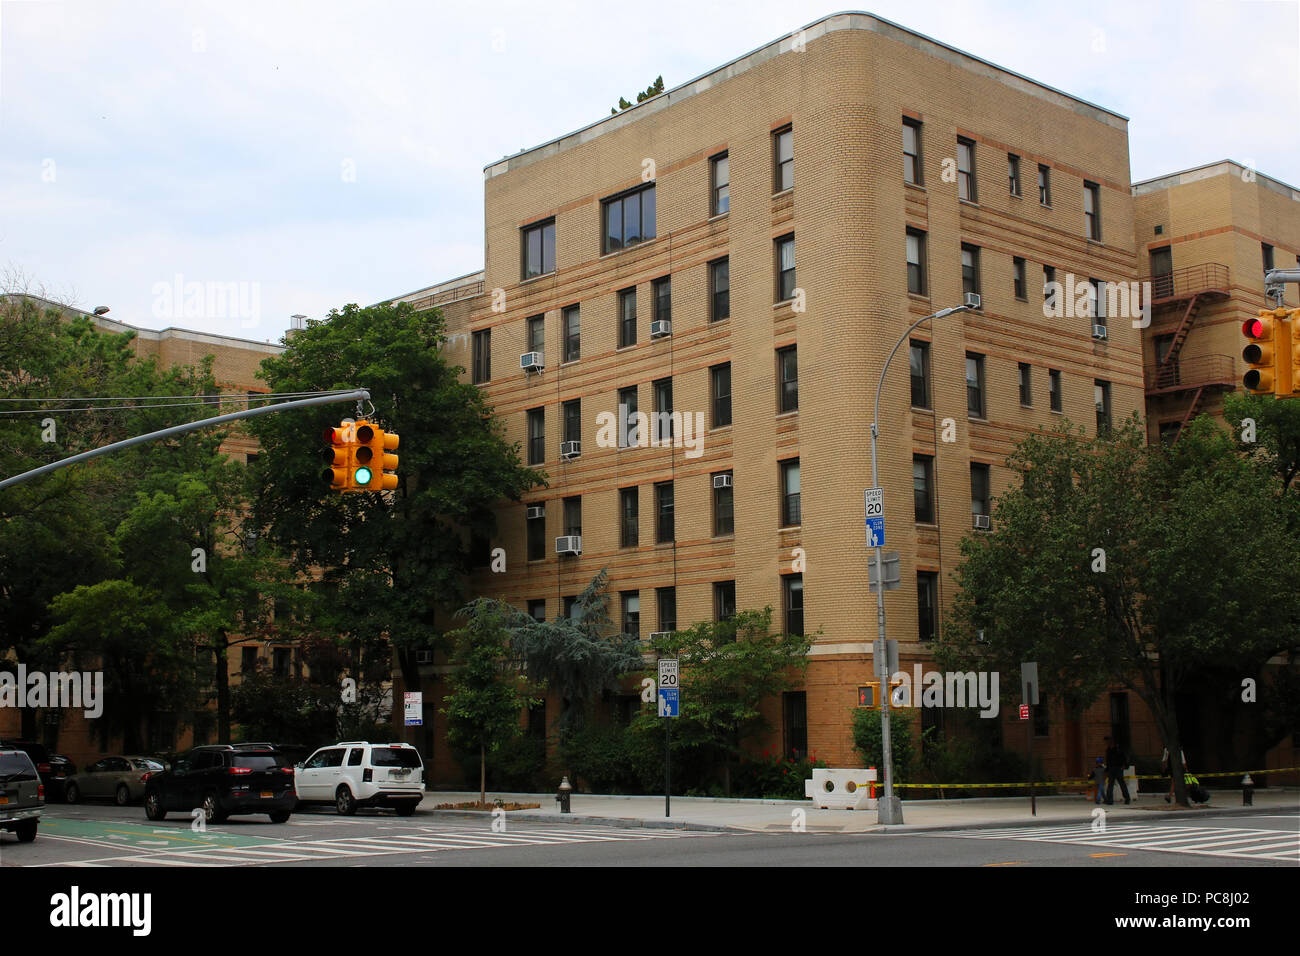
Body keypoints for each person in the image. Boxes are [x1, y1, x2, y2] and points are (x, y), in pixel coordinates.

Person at [1104, 736, 1130, 805]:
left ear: (1112, 742)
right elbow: (1108, 761)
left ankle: (1127, 798)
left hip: (1118, 768)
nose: (1107, 743)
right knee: (1110, 785)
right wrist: (1107, 769)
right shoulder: (1108, 750)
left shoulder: (1118, 749)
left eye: (1108, 741)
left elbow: (1124, 758)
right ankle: (1109, 800)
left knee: (1122, 784)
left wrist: (1125, 766)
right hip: (1111, 769)